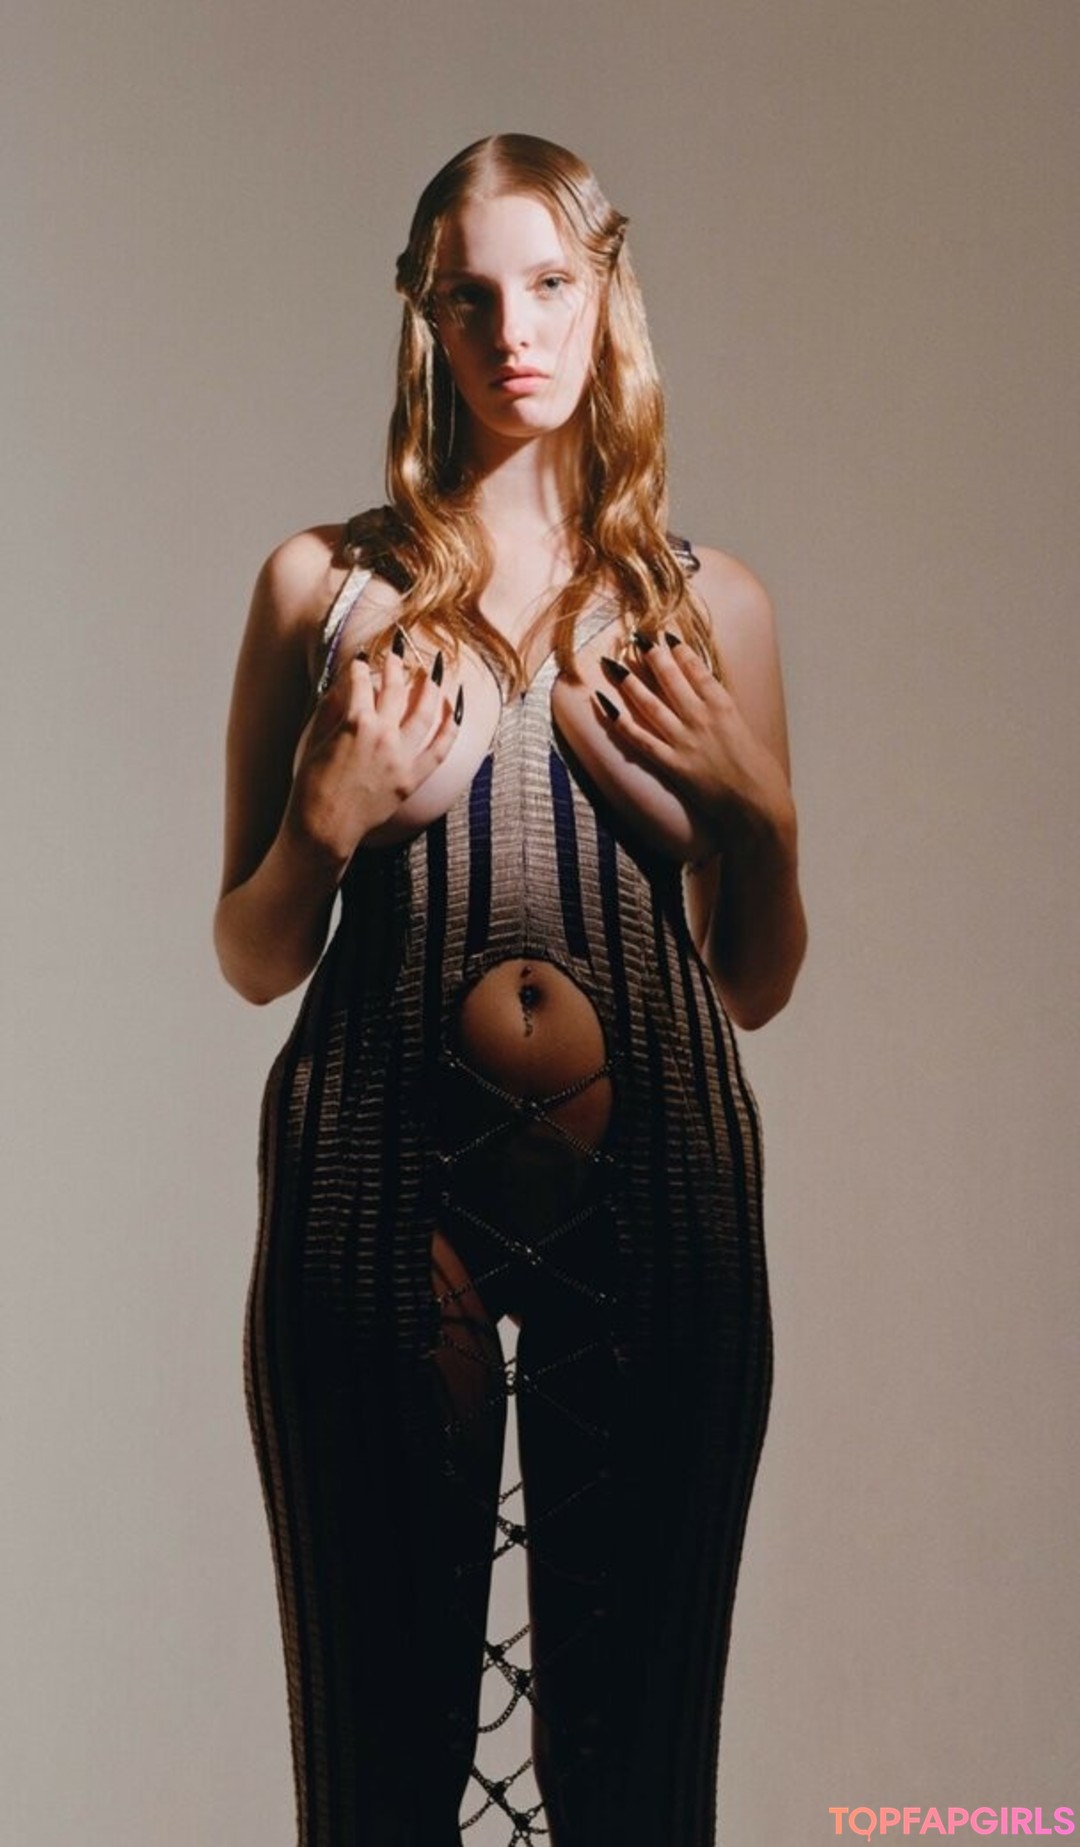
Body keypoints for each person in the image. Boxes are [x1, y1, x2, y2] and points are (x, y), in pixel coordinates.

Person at [215, 132, 806, 1847]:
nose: (514, 331)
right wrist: (320, 827)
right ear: (426, 317)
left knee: (638, 1789)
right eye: (470, 297)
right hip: (382, 1189)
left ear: (606, 292)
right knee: (377, 1783)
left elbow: (757, 980)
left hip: (661, 1192)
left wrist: (761, 810)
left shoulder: (714, 605)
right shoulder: (323, 592)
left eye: (548, 284)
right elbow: (253, 953)